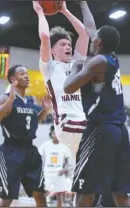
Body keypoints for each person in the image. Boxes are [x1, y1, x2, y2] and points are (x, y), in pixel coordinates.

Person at [63, 1, 130, 207]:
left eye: (95, 39)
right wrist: (83, 4)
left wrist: (76, 66)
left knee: (86, 190)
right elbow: (91, 30)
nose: (91, 39)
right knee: (120, 194)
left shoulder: (96, 63)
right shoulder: (111, 56)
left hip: (99, 130)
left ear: (99, 42)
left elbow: (69, 87)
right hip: (119, 131)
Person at [33, 1, 89, 163]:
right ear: (53, 50)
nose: (68, 47)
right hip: (66, 123)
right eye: (63, 44)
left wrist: (65, 11)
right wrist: (40, 12)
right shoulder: (49, 67)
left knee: (83, 175)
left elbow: (84, 35)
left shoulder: (76, 65)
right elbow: (44, 37)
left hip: (81, 122)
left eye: (69, 44)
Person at [0, 65, 52, 207]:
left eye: (27, 73)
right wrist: (10, 99)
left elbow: (33, 122)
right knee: (7, 198)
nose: (27, 76)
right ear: (13, 79)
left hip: (30, 151)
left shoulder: (30, 101)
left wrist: (45, 110)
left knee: (40, 195)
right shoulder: (3, 98)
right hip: (11, 151)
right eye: (22, 73)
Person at [39, 125, 73, 207]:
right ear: (51, 134)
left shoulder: (64, 147)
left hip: (59, 175)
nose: (56, 135)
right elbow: (38, 158)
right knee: (44, 195)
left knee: (59, 196)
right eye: (54, 133)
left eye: (58, 133)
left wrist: (64, 169)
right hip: (47, 174)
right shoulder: (45, 145)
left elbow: (69, 163)